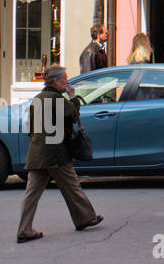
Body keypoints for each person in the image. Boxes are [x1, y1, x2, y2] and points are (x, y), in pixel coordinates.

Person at [16, 67, 103, 242]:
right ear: (55, 81)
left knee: (31, 194)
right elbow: (74, 116)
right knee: (72, 186)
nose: (67, 82)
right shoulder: (56, 99)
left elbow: (30, 127)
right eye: (65, 79)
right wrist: (73, 97)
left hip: (37, 153)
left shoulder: (38, 99)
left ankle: (24, 230)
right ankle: (85, 218)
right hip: (56, 153)